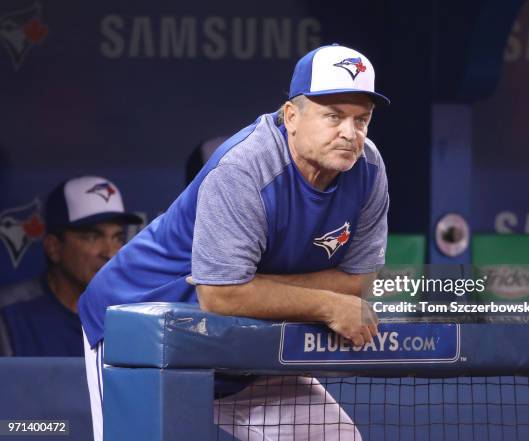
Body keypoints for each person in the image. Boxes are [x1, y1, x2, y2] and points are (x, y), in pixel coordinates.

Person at [78, 43, 390, 441]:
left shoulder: (368, 168)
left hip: (239, 342)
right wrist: (328, 303)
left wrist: (256, 289)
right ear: (291, 116)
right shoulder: (245, 167)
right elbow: (220, 297)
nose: (350, 133)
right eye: (334, 116)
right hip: (142, 330)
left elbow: (358, 281)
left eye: (362, 119)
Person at [0, 176, 142, 356]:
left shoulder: (133, 315)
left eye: (117, 238)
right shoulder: (9, 313)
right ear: (54, 247)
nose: (110, 252)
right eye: (92, 237)